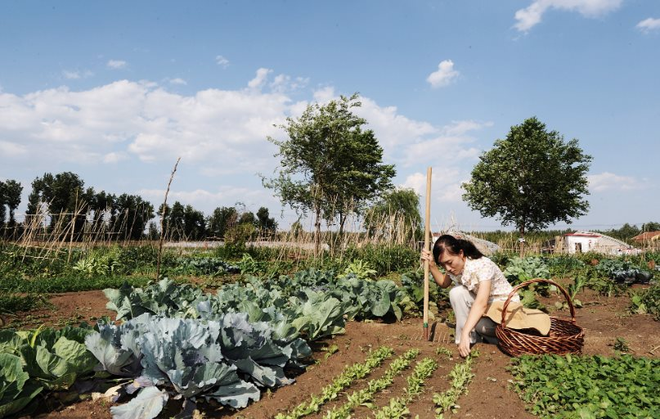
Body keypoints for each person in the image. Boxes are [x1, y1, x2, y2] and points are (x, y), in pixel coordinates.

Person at [421, 234, 519, 357]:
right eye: (443, 265)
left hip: (504, 311)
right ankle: (469, 342)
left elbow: (481, 303)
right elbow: (443, 283)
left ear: (461, 253)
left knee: (479, 326)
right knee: (457, 293)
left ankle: (502, 343)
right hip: (488, 309)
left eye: (449, 262)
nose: (448, 268)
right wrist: (432, 265)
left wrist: (465, 332)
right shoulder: (457, 267)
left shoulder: (481, 265)